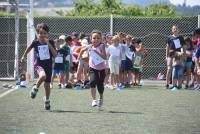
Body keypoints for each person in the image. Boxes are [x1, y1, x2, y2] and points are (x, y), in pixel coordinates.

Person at [20, 23, 57, 110]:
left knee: (47, 85)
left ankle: (47, 100)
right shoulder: (35, 42)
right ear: (37, 34)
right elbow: (28, 48)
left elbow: (55, 55)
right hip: (39, 65)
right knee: (42, 76)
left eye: (45, 33)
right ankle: (35, 88)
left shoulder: (50, 42)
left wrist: (48, 44)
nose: (42, 35)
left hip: (48, 66)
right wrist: (23, 56)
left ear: (48, 34)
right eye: (40, 33)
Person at [79, 30, 107, 107]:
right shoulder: (89, 46)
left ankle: (101, 97)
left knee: (100, 85)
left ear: (101, 39)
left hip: (101, 68)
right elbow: (82, 50)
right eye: (94, 38)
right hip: (92, 67)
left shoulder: (102, 46)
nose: (96, 39)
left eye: (98, 38)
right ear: (91, 39)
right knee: (92, 82)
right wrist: (79, 56)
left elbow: (105, 57)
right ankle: (94, 100)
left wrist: (96, 52)